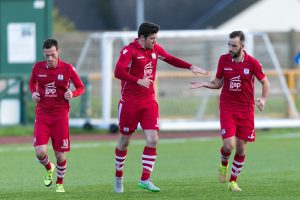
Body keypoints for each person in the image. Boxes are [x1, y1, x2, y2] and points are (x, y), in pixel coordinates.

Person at [113, 22, 208, 193]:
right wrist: (137, 80)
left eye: (156, 38)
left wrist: (190, 66)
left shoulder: (155, 49)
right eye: (152, 38)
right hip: (129, 103)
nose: (155, 41)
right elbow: (118, 72)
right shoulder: (129, 51)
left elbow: (170, 59)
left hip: (148, 102)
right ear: (142, 38)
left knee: (153, 139)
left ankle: (145, 179)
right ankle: (119, 175)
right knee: (124, 140)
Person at [190, 31, 270, 192]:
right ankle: (223, 164)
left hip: (246, 110)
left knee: (241, 148)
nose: (230, 48)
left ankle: (233, 181)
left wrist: (263, 99)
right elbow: (218, 83)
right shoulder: (223, 60)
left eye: (234, 45)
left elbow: (265, 82)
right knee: (228, 145)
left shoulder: (252, 63)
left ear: (242, 46)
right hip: (228, 107)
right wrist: (205, 84)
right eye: (229, 44)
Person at [29, 39, 85, 193]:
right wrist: (33, 92)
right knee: (40, 152)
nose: (50, 58)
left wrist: (72, 93)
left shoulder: (67, 68)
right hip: (42, 115)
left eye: (52, 54)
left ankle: (60, 183)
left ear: (58, 52)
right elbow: (32, 83)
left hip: (60, 116)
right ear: (44, 54)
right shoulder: (37, 67)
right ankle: (49, 167)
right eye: (47, 55)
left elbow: (81, 87)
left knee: (60, 155)